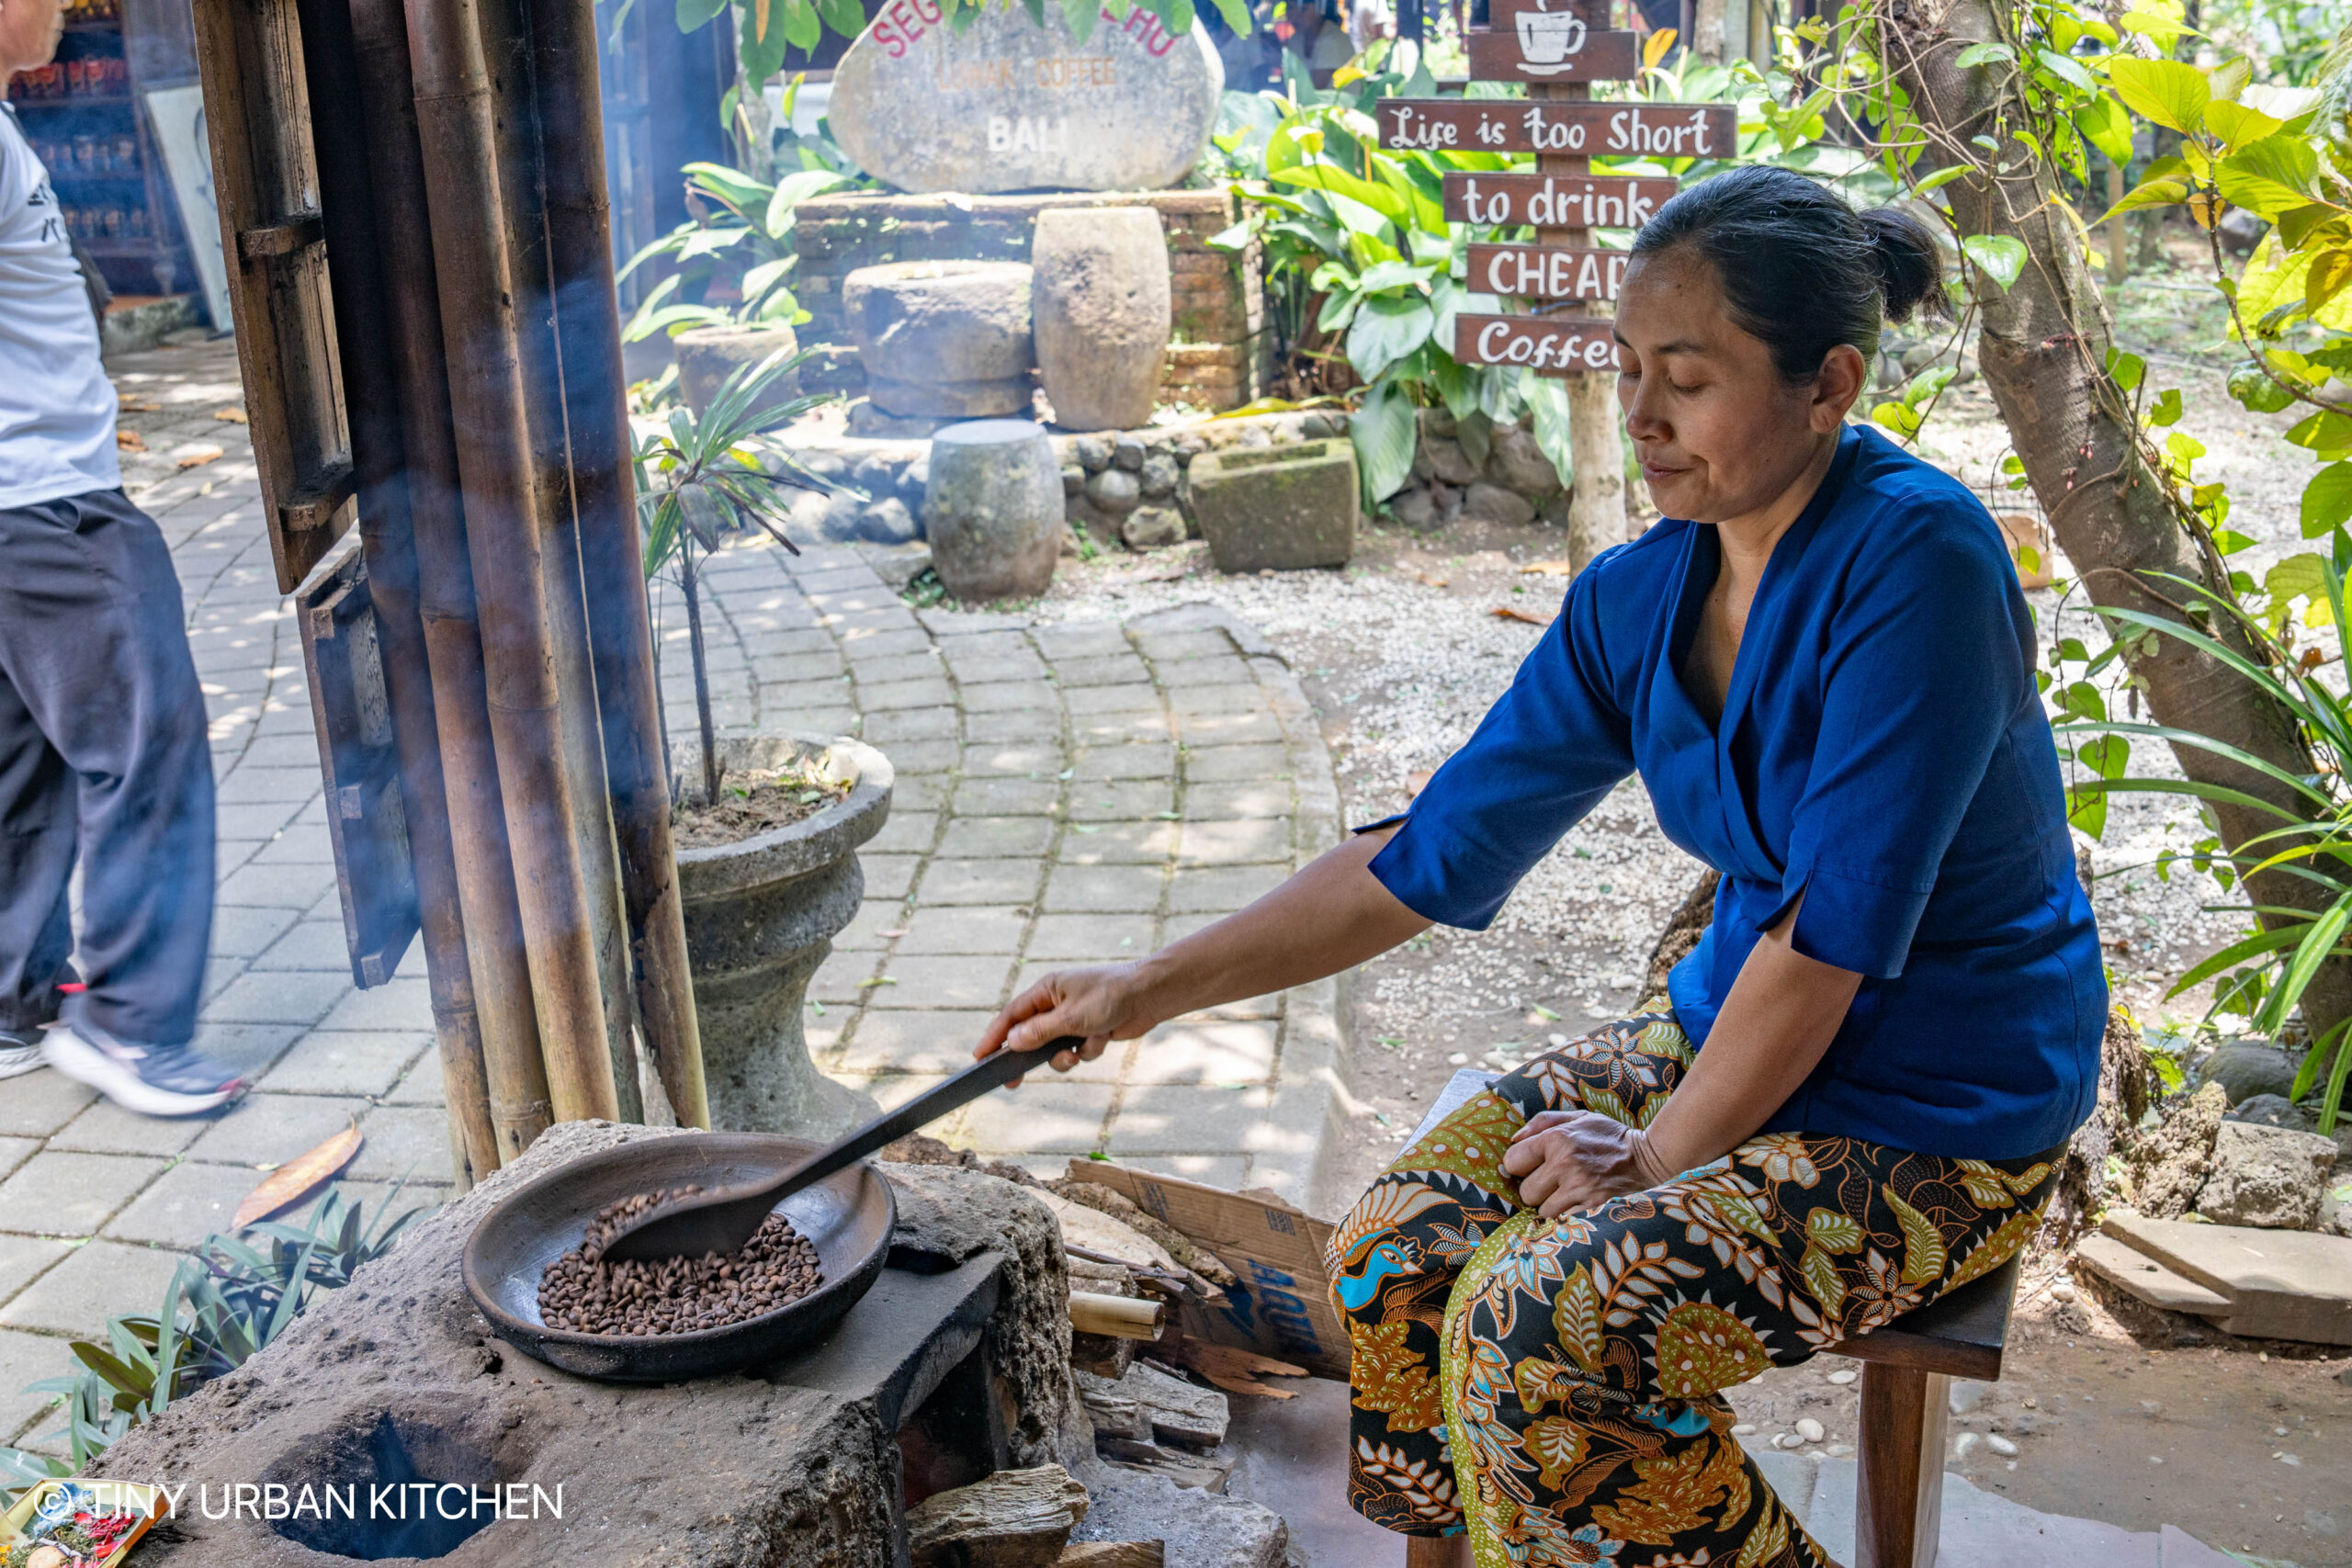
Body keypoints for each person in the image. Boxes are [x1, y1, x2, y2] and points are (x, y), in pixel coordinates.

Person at [978, 164, 2103, 1566]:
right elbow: (1426, 849)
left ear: (1830, 385)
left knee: (1536, 1325)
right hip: (1729, 1023)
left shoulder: (1919, 562)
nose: (1639, 415)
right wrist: (1144, 989)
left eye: (1685, 377)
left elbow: (1829, 938)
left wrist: (1656, 1153)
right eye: (1628, 368)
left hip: (1939, 1099)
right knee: (1395, 1246)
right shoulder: (1643, 593)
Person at [1, 0, 243, 1114]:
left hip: (22, 509)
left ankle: (11, 1004)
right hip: (45, 506)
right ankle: (127, 1024)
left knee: (26, 761)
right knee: (149, 740)